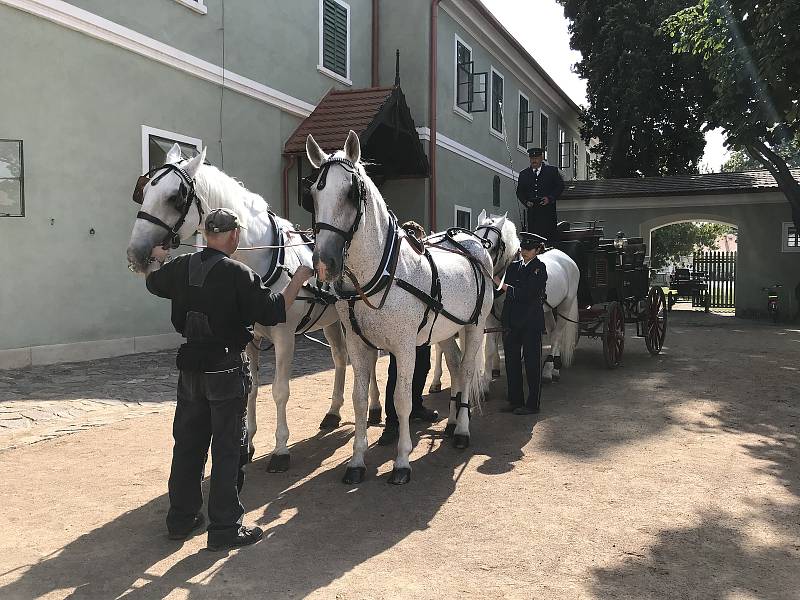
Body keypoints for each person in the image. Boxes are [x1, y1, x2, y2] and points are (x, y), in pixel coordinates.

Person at [145, 208, 314, 551]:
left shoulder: (180, 266)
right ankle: (224, 527)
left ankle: (181, 518)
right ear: (234, 236)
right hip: (223, 369)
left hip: (190, 367)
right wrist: (299, 278)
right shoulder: (240, 274)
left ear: (206, 234)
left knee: (188, 445)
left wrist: (155, 257)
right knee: (226, 449)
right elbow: (273, 311)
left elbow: (152, 281)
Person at [378, 220, 439, 446]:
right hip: (401, 331)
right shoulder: (400, 263)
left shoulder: (425, 264)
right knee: (397, 374)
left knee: (423, 367)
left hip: (422, 328)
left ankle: (415, 406)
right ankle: (392, 422)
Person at [494, 232, 548, 415]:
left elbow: (528, 294)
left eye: (529, 249)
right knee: (511, 363)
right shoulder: (514, 266)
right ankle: (515, 400)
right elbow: (500, 292)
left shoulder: (539, 268)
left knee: (532, 364)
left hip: (530, 323)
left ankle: (533, 404)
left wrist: (503, 286)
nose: (525, 252)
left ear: (537, 250)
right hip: (511, 321)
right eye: (523, 248)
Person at [515, 147, 564, 244]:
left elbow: (560, 187)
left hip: (548, 211)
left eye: (536, 158)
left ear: (541, 158)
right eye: (532, 158)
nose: (534, 160)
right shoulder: (524, 174)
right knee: (534, 238)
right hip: (533, 212)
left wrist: (550, 198)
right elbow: (520, 192)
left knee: (549, 238)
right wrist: (526, 202)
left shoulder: (552, 171)